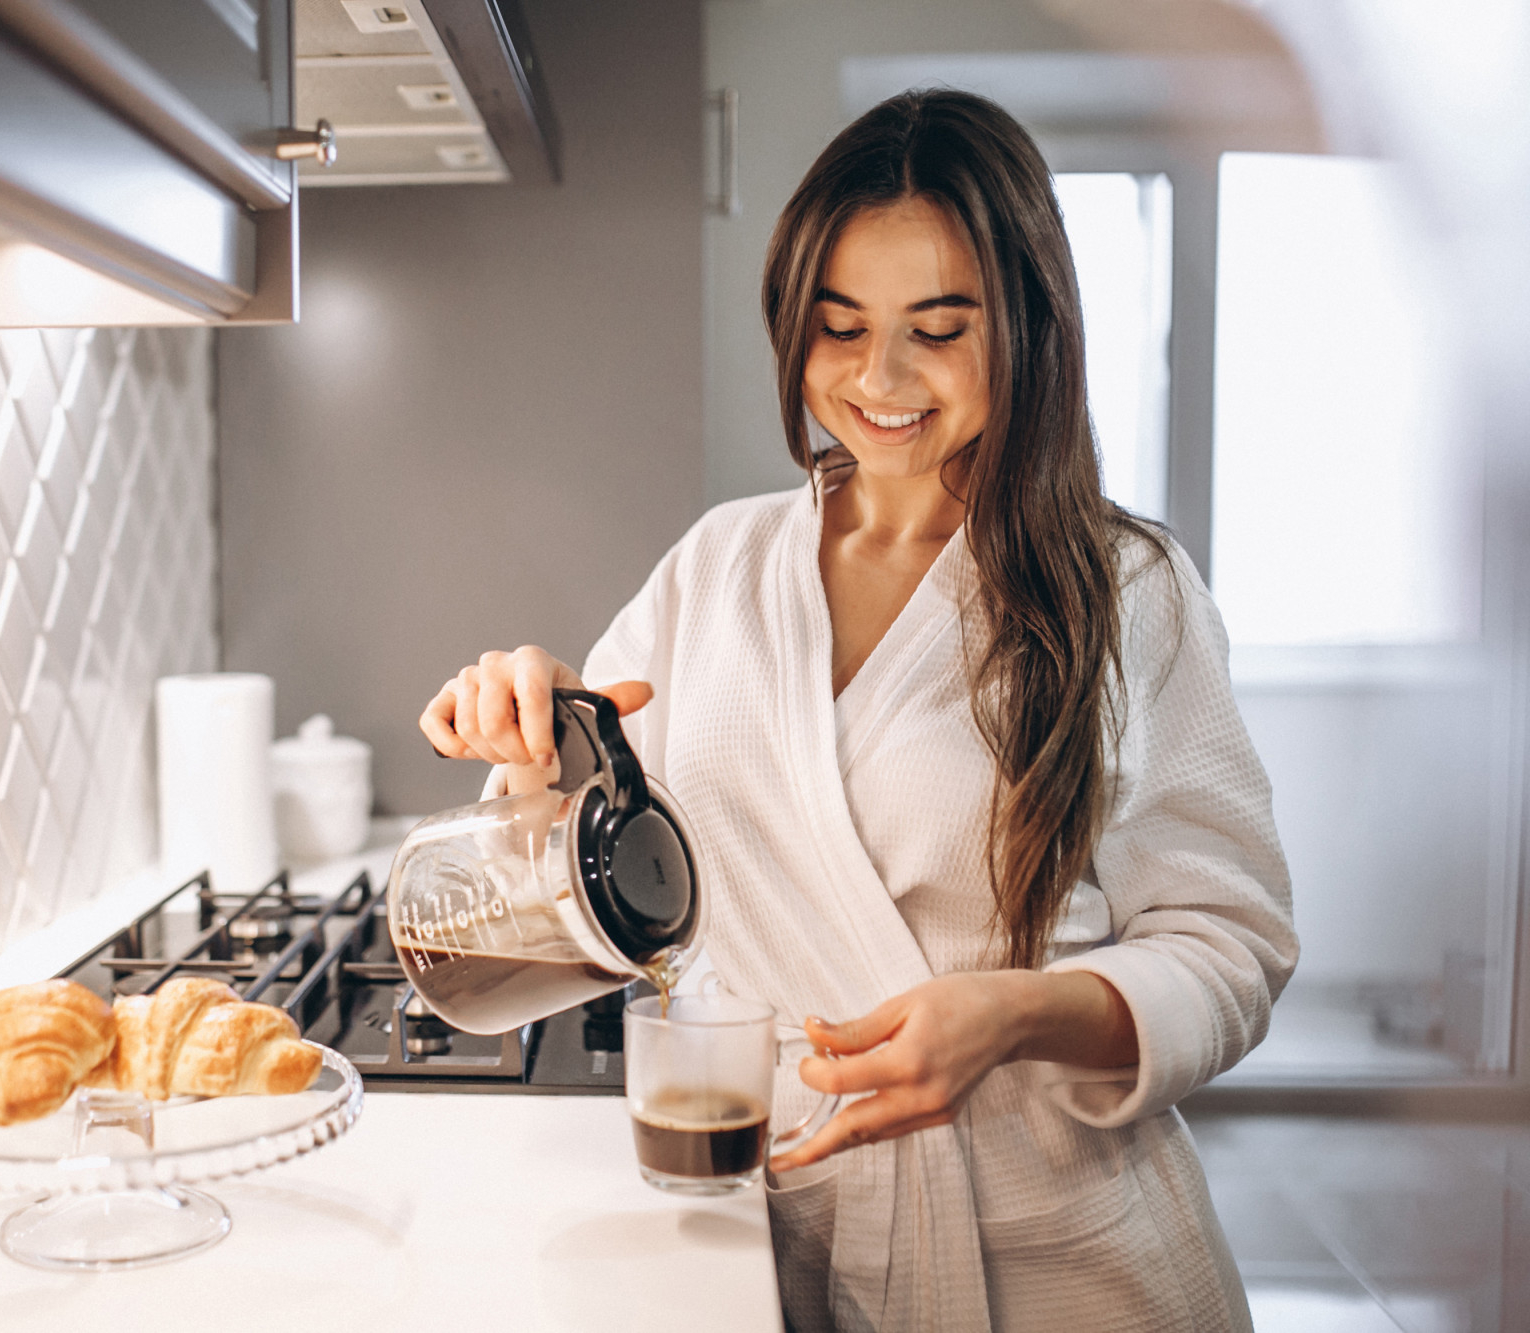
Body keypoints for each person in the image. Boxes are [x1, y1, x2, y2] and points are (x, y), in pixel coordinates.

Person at [419, 90, 1294, 1331]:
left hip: (1060, 1260)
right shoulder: (717, 568)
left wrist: (1012, 1016)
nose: (878, 380)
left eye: (936, 330)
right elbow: (574, 911)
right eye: (839, 328)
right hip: (787, 1241)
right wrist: (523, 752)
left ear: (1028, 327)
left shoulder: (1125, 592)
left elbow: (1230, 944)